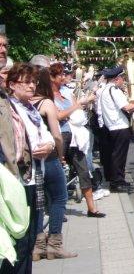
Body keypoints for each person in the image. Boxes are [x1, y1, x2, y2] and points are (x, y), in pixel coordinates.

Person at [5, 63, 56, 274]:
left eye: (34, 82)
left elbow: (46, 135)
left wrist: (49, 145)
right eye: (26, 82)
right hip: (19, 178)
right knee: (21, 238)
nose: (31, 86)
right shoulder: (9, 107)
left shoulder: (31, 108)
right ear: (12, 85)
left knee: (32, 234)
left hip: (36, 175)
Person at [29, 63, 75, 261]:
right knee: (59, 198)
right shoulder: (46, 103)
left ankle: (37, 246)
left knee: (38, 201)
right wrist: (60, 153)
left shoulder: (24, 103)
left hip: (32, 158)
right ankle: (54, 244)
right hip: (50, 157)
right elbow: (56, 135)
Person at [51, 63, 103, 220]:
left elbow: (75, 108)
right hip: (60, 136)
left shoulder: (66, 92)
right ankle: (58, 210)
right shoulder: (47, 95)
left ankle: (91, 208)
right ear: (51, 78)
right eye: (60, 75)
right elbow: (58, 116)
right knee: (59, 174)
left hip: (75, 136)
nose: (63, 77)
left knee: (83, 169)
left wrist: (84, 102)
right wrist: (76, 107)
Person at [98, 66, 134, 193]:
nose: (124, 80)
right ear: (117, 79)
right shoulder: (114, 90)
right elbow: (126, 107)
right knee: (119, 156)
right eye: (123, 78)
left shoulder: (105, 89)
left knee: (116, 155)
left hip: (112, 126)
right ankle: (117, 182)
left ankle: (117, 180)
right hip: (119, 126)